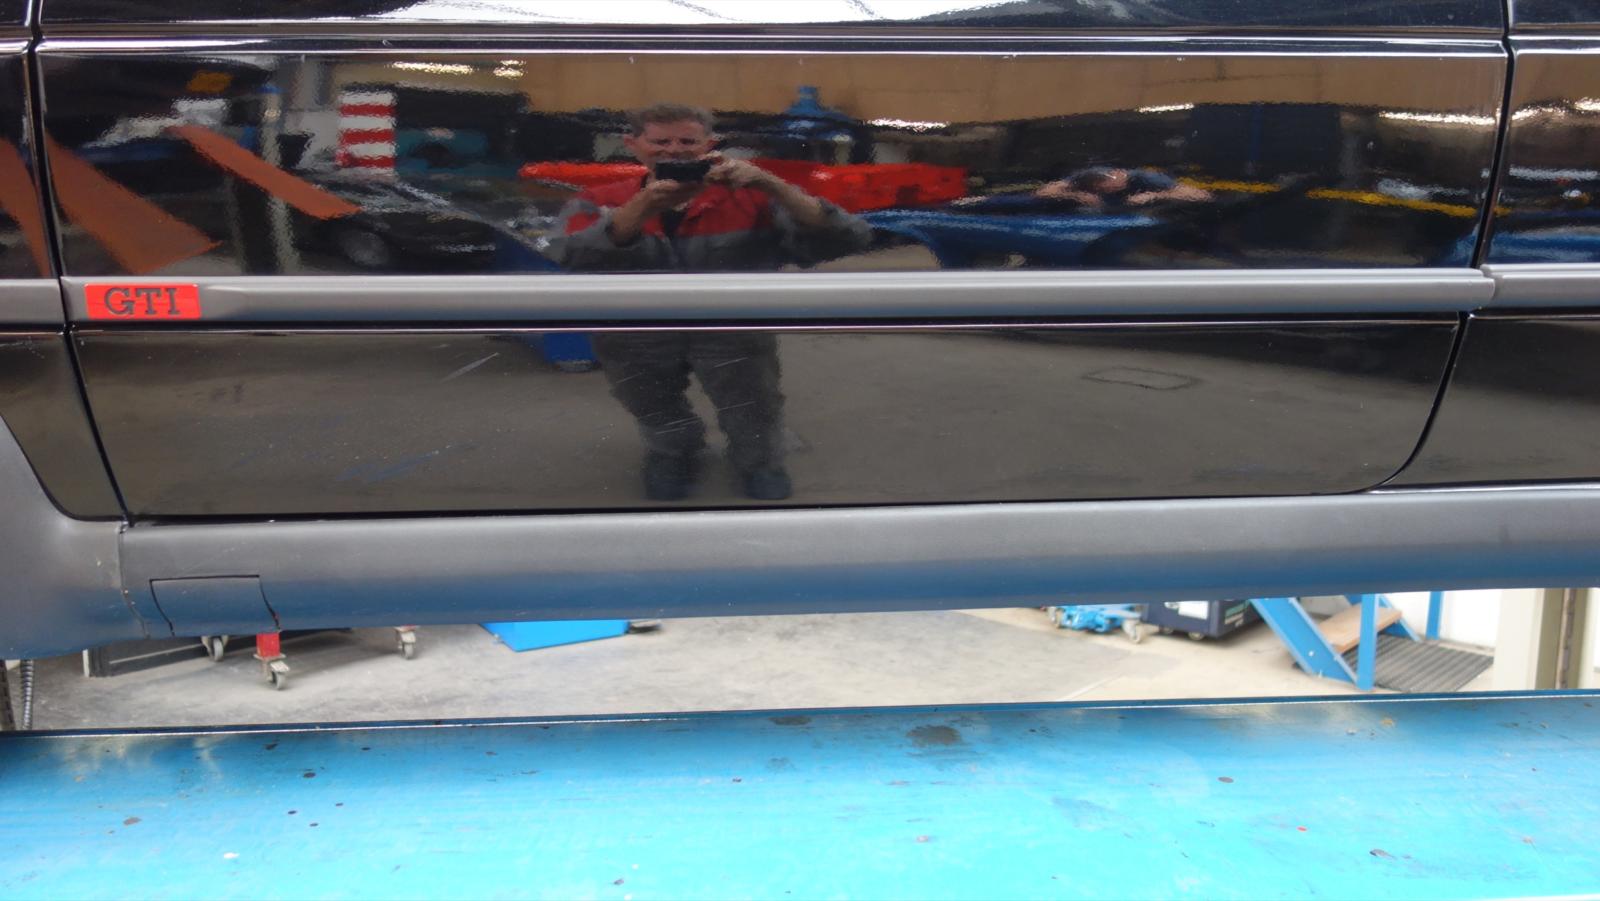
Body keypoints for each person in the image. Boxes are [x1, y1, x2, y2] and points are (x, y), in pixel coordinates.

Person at [557, 102, 871, 501]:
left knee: (752, 403)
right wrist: (642, 207)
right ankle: (673, 454)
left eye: (687, 141)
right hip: (635, 331)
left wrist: (771, 184)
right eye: (661, 142)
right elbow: (570, 256)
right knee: (651, 402)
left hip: (731, 327)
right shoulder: (599, 200)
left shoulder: (750, 197)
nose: (674, 151)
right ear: (632, 145)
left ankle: (760, 463)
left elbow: (849, 237)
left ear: (710, 144)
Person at [1036, 166, 1211, 209]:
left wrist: (1154, 196)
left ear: (1119, 173)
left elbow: (1201, 196)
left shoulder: (1147, 178)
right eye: (1099, 189)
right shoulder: (1088, 176)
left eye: (1109, 186)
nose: (1105, 190)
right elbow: (1043, 192)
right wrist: (1078, 196)